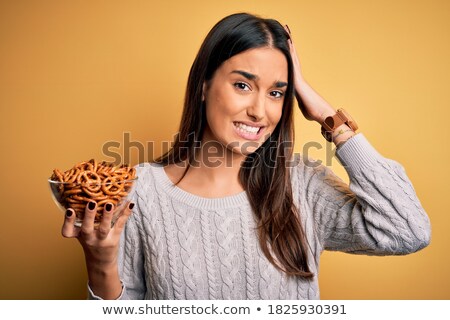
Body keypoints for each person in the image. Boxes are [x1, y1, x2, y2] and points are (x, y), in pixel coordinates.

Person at [61, 12, 431, 300]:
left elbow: (407, 230)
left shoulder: (300, 184)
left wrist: (326, 115)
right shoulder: (139, 191)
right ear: (204, 85)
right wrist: (100, 262)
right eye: (243, 85)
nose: (260, 111)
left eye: (276, 93)